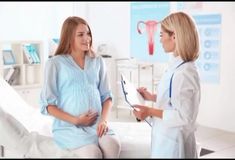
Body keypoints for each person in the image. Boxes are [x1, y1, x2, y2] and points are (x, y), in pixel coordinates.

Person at [40, 16, 121, 158]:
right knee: (93, 154)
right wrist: (77, 120)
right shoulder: (55, 64)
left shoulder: (97, 61)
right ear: (69, 37)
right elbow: (48, 105)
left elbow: (107, 97)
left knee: (112, 145)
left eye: (88, 33)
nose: (87, 38)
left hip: (97, 124)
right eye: (81, 35)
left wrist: (104, 120)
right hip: (69, 127)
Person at [133, 11, 201, 158]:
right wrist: (151, 97)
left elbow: (184, 116)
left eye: (161, 35)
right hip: (166, 138)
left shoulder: (183, 73)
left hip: (175, 144)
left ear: (174, 36)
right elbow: (175, 99)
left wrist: (149, 111)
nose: (160, 40)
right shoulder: (176, 66)